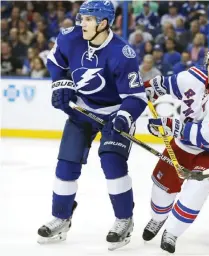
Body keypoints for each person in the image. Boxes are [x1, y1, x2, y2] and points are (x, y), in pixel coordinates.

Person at [36, 0, 147, 251]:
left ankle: (124, 219)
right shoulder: (70, 38)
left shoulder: (122, 53)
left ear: (103, 23)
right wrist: (60, 83)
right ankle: (61, 217)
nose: (81, 23)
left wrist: (124, 118)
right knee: (66, 163)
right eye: (81, 18)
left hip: (114, 114)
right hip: (82, 111)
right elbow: (55, 62)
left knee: (112, 162)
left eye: (87, 19)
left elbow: (136, 97)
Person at [142, 43, 209, 253]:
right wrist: (147, 89)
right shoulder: (195, 76)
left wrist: (170, 125)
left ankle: (172, 232)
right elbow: (166, 84)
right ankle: (158, 219)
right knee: (161, 190)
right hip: (182, 145)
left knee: (195, 191)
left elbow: (207, 137)